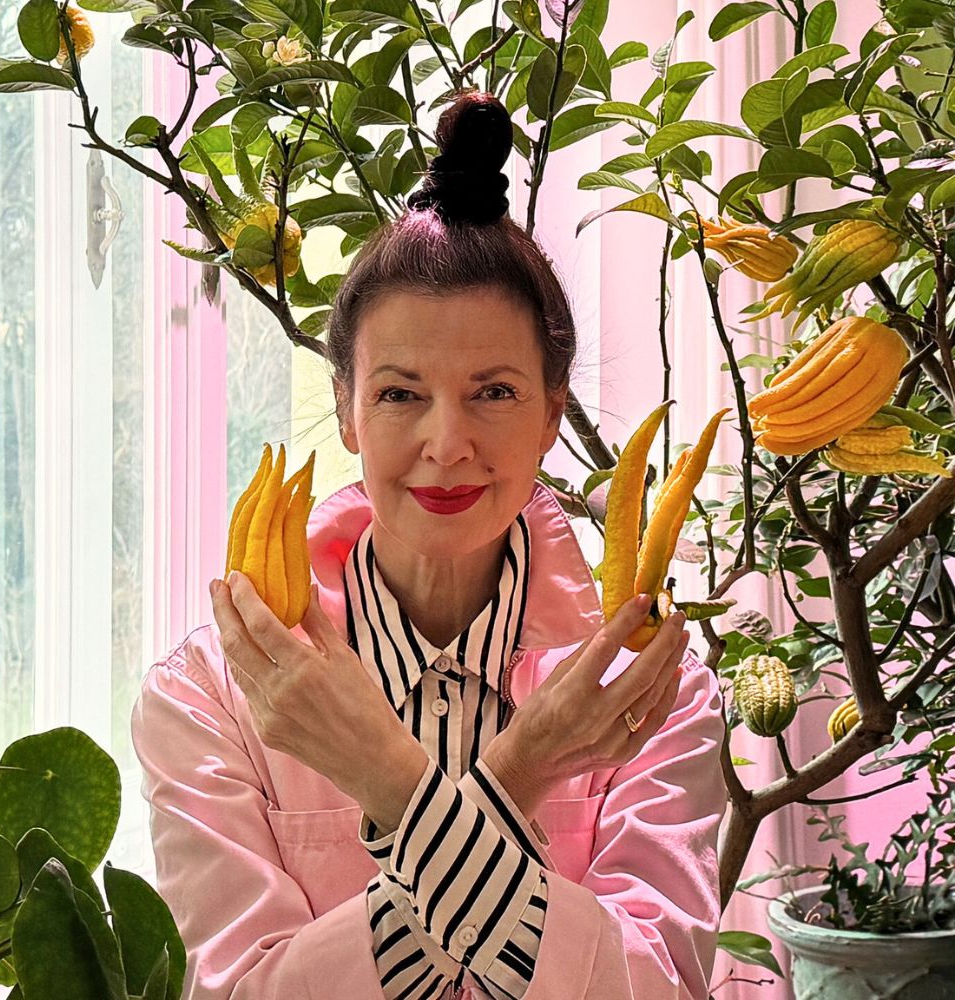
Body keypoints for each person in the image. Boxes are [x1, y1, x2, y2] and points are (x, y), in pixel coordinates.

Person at [131, 90, 727, 1000]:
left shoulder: (648, 690)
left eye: (493, 393)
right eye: (402, 394)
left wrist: (396, 787)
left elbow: (658, 989)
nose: (447, 444)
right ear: (348, 411)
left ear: (550, 415)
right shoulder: (212, 697)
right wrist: (516, 774)